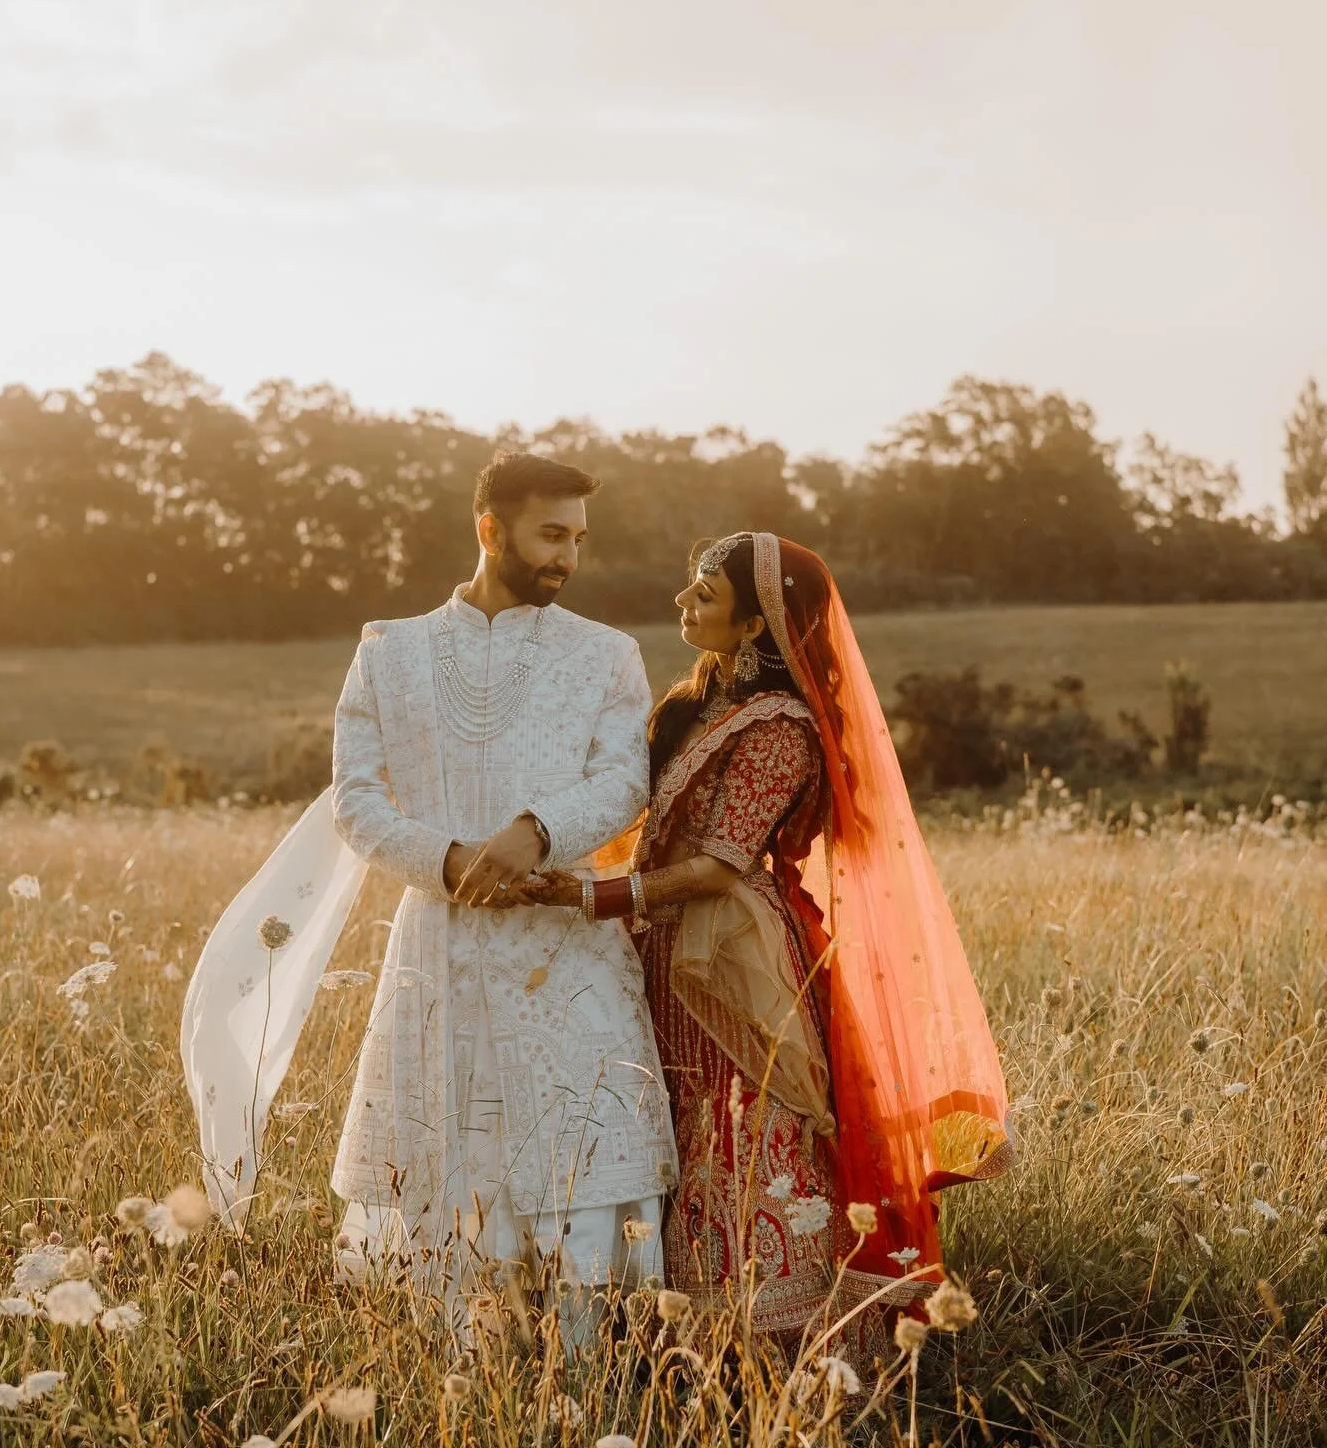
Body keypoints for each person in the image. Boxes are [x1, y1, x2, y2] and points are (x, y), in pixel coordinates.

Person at [181, 453, 675, 1351]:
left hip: (566, 942)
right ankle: (464, 1375)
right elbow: (355, 798)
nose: (568, 556)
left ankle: (592, 1370)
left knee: (581, 1151)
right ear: (490, 528)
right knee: (447, 1157)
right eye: (551, 534)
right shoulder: (389, 651)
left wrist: (536, 831)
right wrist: (446, 861)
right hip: (438, 942)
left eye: (578, 538)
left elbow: (625, 779)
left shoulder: (608, 655)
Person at [526, 531, 1010, 1354]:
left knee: (741, 1132)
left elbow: (718, 866)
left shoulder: (780, 727)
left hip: (732, 956)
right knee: (675, 1129)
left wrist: (589, 895)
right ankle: (671, 1341)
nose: (684, 604)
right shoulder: (700, 707)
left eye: (705, 594)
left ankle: (771, 1348)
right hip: (661, 948)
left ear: (755, 625)